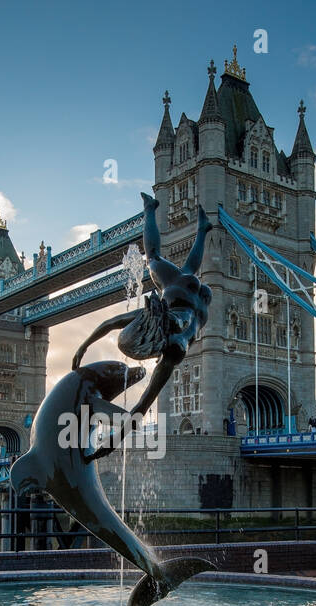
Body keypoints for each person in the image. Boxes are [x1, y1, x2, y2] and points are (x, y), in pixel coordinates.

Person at [73, 191, 213, 459]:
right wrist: (82, 347)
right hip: (185, 295)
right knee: (155, 258)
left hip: (200, 299)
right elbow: (112, 323)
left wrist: (109, 446)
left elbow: (141, 406)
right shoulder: (163, 318)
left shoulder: (176, 350)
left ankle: (197, 228)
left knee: (173, 265)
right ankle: (153, 210)